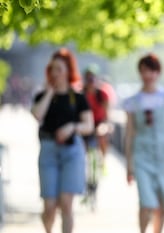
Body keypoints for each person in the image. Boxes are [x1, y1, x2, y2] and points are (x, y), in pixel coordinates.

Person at [123, 53, 164, 233]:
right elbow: (129, 133)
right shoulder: (132, 102)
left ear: (158, 73)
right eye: (145, 71)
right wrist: (128, 164)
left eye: (152, 71)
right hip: (142, 154)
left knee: (162, 200)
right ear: (140, 73)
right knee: (146, 201)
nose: (148, 75)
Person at [31, 48, 94, 233]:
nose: (55, 73)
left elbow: (88, 125)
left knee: (66, 204)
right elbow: (36, 114)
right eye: (53, 69)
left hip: (72, 151)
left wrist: (72, 127)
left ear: (68, 70)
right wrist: (50, 91)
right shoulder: (42, 96)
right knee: (49, 206)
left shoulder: (78, 98)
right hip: (49, 150)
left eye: (59, 68)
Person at [83, 64, 110, 158]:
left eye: (93, 77)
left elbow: (106, 115)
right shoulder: (81, 94)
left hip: (99, 122)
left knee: (102, 134)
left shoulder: (102, 94)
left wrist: (106, 125)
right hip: (85, 122)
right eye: (88, 77)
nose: (91, 80)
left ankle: (103, 159)